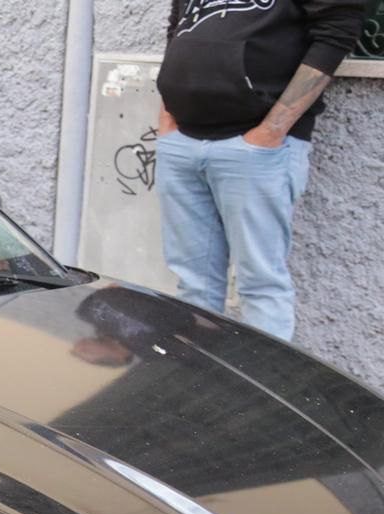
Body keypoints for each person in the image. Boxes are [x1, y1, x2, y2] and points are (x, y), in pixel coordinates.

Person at [155, 0, 367, 342]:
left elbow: (338, 29)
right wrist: (167, 120)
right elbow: (178, 28)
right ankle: (200, 385)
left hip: (255, 149)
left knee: (261, 283)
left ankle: (266, 390)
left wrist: (271, 131)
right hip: (182, 143)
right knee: (193, 283)